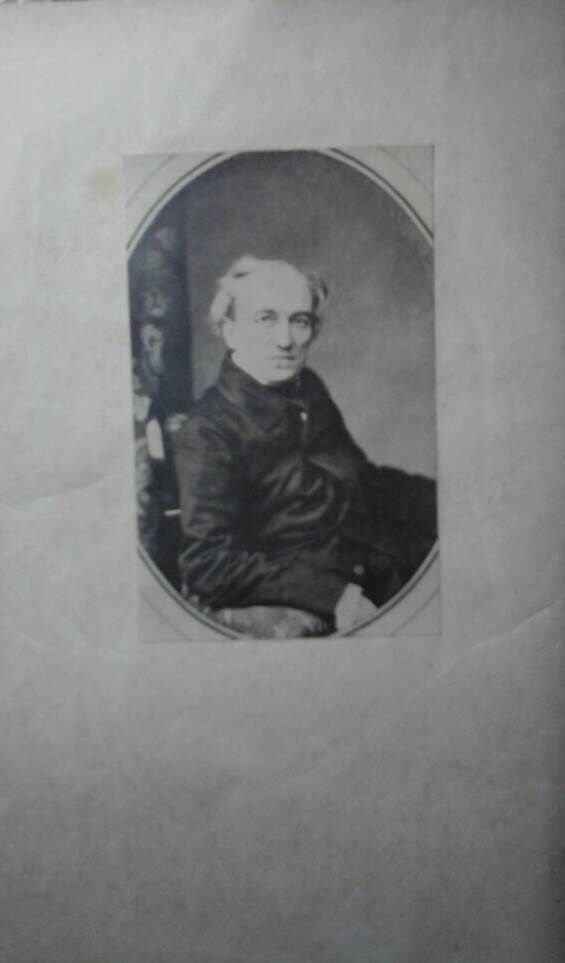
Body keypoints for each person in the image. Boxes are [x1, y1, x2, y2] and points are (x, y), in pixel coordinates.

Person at [173, 256, 437, 637]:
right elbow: (208, 564)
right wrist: (333, 597)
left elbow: (362, 480)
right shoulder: (207, 431)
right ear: (230, 331)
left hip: (383, 556)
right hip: (330, 581)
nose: (285, 340)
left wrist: (446, 499)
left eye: (299, 321)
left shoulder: (306, 387)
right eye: (266, 319)